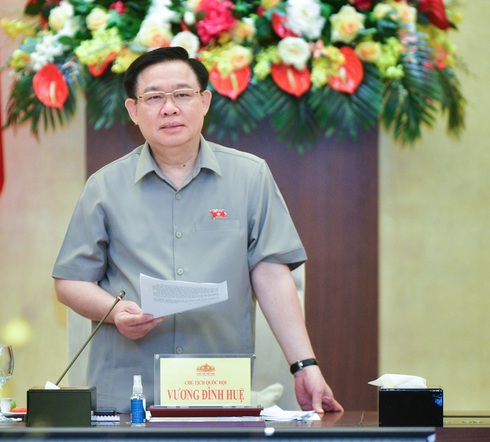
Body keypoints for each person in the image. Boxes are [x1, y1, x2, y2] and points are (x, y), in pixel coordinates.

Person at [53, 46, 342, 414]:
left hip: (216, 387)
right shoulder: (104, 185)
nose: (169, 108)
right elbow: (70, 281)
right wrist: (115, 311)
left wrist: (304, 365)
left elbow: (271, 274)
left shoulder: (250, 176)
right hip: (128, 393)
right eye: (154, 97)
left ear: (204, 102)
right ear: (133, 110)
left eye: (182, 94)